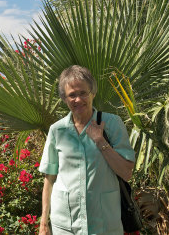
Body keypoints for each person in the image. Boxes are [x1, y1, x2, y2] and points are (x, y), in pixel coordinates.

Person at [38, 65, 136, 235]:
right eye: (72, 95)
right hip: (65, 225)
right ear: (64, 98)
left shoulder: (112, 123)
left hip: (104, 224)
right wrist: (44, 222)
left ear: (93, 93)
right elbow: (50, 178)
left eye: (83, 93)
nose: (78, 99)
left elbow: (126, 173)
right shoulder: (57, 130)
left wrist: (100, 141)